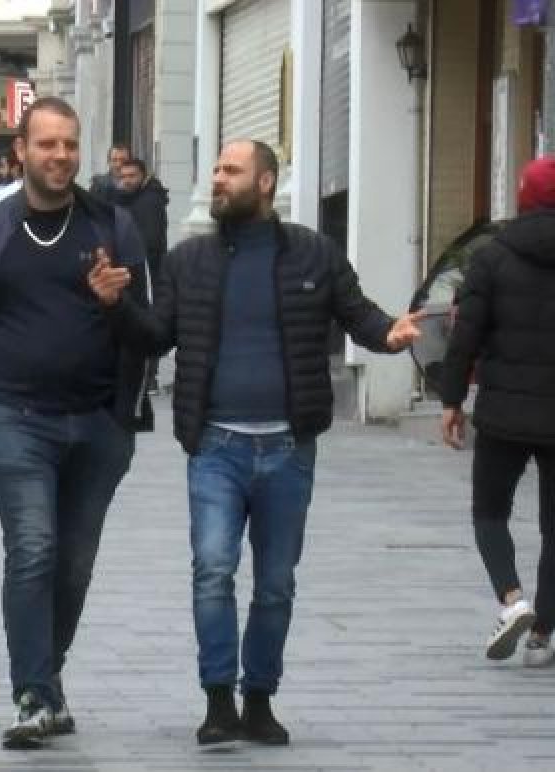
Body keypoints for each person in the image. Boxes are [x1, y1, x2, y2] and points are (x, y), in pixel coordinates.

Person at [88, 139, 424, 747]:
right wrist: (116, 307)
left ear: (265, 182)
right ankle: (219, 702)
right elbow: (156, 336)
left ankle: (260, 698)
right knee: (213, 570)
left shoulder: (313, 254)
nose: (216, 179)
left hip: (288, 451)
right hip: (216, 446)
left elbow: (358, 313)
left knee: (275, 583)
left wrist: (391, 334)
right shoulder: (188, 262)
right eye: (216, 169)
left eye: (229, 171)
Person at [0, 96, 153, 749]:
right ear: (20, 150)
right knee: (33, 549)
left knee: (73, 564)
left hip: (100, 424)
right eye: (47, 144)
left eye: (69, 145)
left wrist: (119, 304)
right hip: (14, 418)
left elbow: (151, 330)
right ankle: (32, 694)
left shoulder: (113, 227)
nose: (59, 156)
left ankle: (45, 679)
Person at [440, 156, 555, 668]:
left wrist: (452, 400)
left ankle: (511, 599)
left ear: (521, 199)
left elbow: (466, 338)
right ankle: (541, 636)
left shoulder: (491, 260)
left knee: (489, 512)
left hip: (503, 413)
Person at [113, 157, 169, 394]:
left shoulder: (149, 201)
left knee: (146, 319)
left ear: (144, 176)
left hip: (147, 272)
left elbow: (150, 242)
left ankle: (150, 377)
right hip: (132, 271)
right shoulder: (127, 198)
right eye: (122, 176)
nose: (126, 181)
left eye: (131, 176)